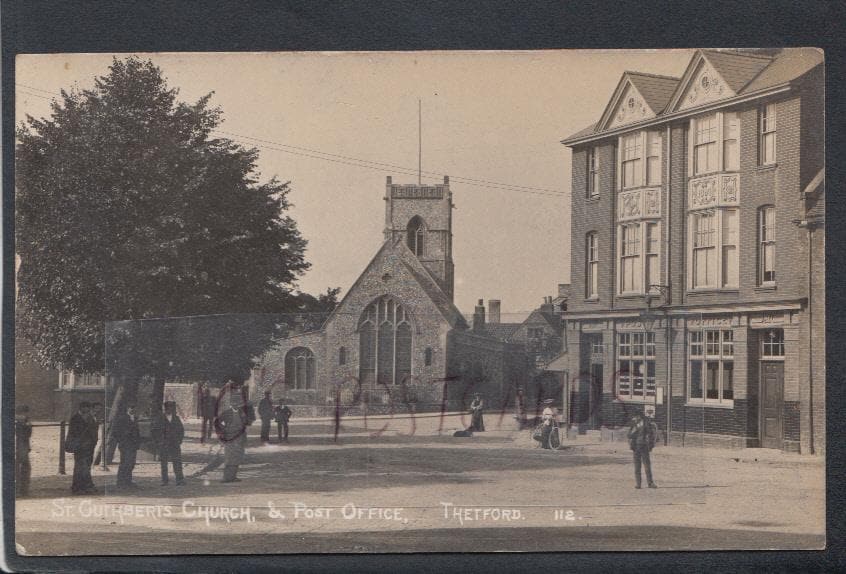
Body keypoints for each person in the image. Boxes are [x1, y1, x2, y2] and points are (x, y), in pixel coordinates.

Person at [66, 401, 100, 494]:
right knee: (79, 467)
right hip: (79, 446)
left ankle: (86, 486)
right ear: (81, 408)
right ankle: (77, 487)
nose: (88, 410)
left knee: (86, 466)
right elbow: (75, 433)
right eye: (86, 408)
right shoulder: (75, 418)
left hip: (88, 446)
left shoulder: (88, 418)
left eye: (88, 408)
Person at [154, 401, 185, 486]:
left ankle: (179, 479)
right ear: (165, 409)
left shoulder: (176, 419)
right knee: (164, 463)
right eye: (168, 408)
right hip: (164, 444)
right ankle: (164, 480)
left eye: (172, 408)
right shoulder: (160, 419)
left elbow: (181, 430)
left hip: (175, 444)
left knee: (177, 462)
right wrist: (159, 442)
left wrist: (179, 440)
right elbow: (155, 431)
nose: (170, 410)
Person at [219, 398, 248, 483]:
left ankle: (233, 476)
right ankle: (226, 478)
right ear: (231, 404)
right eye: (234, 403)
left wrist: (244, 439)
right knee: (229, 458)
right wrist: (224, 429)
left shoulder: (242, 413)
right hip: (230, 438)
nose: (236, 405)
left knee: (237, 458)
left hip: (239, 438)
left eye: (238, 403)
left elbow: (244, 425)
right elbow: (218, 422)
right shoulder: (227, 413)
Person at [113, 404, 141, 489]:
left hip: (133, 444)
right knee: (125, 463)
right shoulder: (122, 418)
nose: (133, 409)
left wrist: (137, 442)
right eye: (131, 407)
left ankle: (128, 481)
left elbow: (137, 432)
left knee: (131, 463)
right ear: (127, 408)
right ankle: (121, 482)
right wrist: (122, 440)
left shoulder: (135, 418)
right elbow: (116, 431)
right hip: (125, 444)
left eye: (134, 408)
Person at [627, 411, 658, 489]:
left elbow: (651, 435)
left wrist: (650, 445)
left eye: (636, 417)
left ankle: (650, 483)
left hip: (644, 446)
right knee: (637, 466)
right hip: (636, 447)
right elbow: (629, 435)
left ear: (639, 417)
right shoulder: (634, 424)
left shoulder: (646, 423)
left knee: (647, 465)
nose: (635, 419)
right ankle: (638, 483)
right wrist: (634, 431)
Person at [15, 405, 32, 498]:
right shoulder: (23, 421)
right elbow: (28, 434)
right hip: (21, 447)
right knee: (23, 468)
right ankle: (21, 490)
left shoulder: (22, 421)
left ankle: (21, 490)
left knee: (22, 468)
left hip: (22, 447)